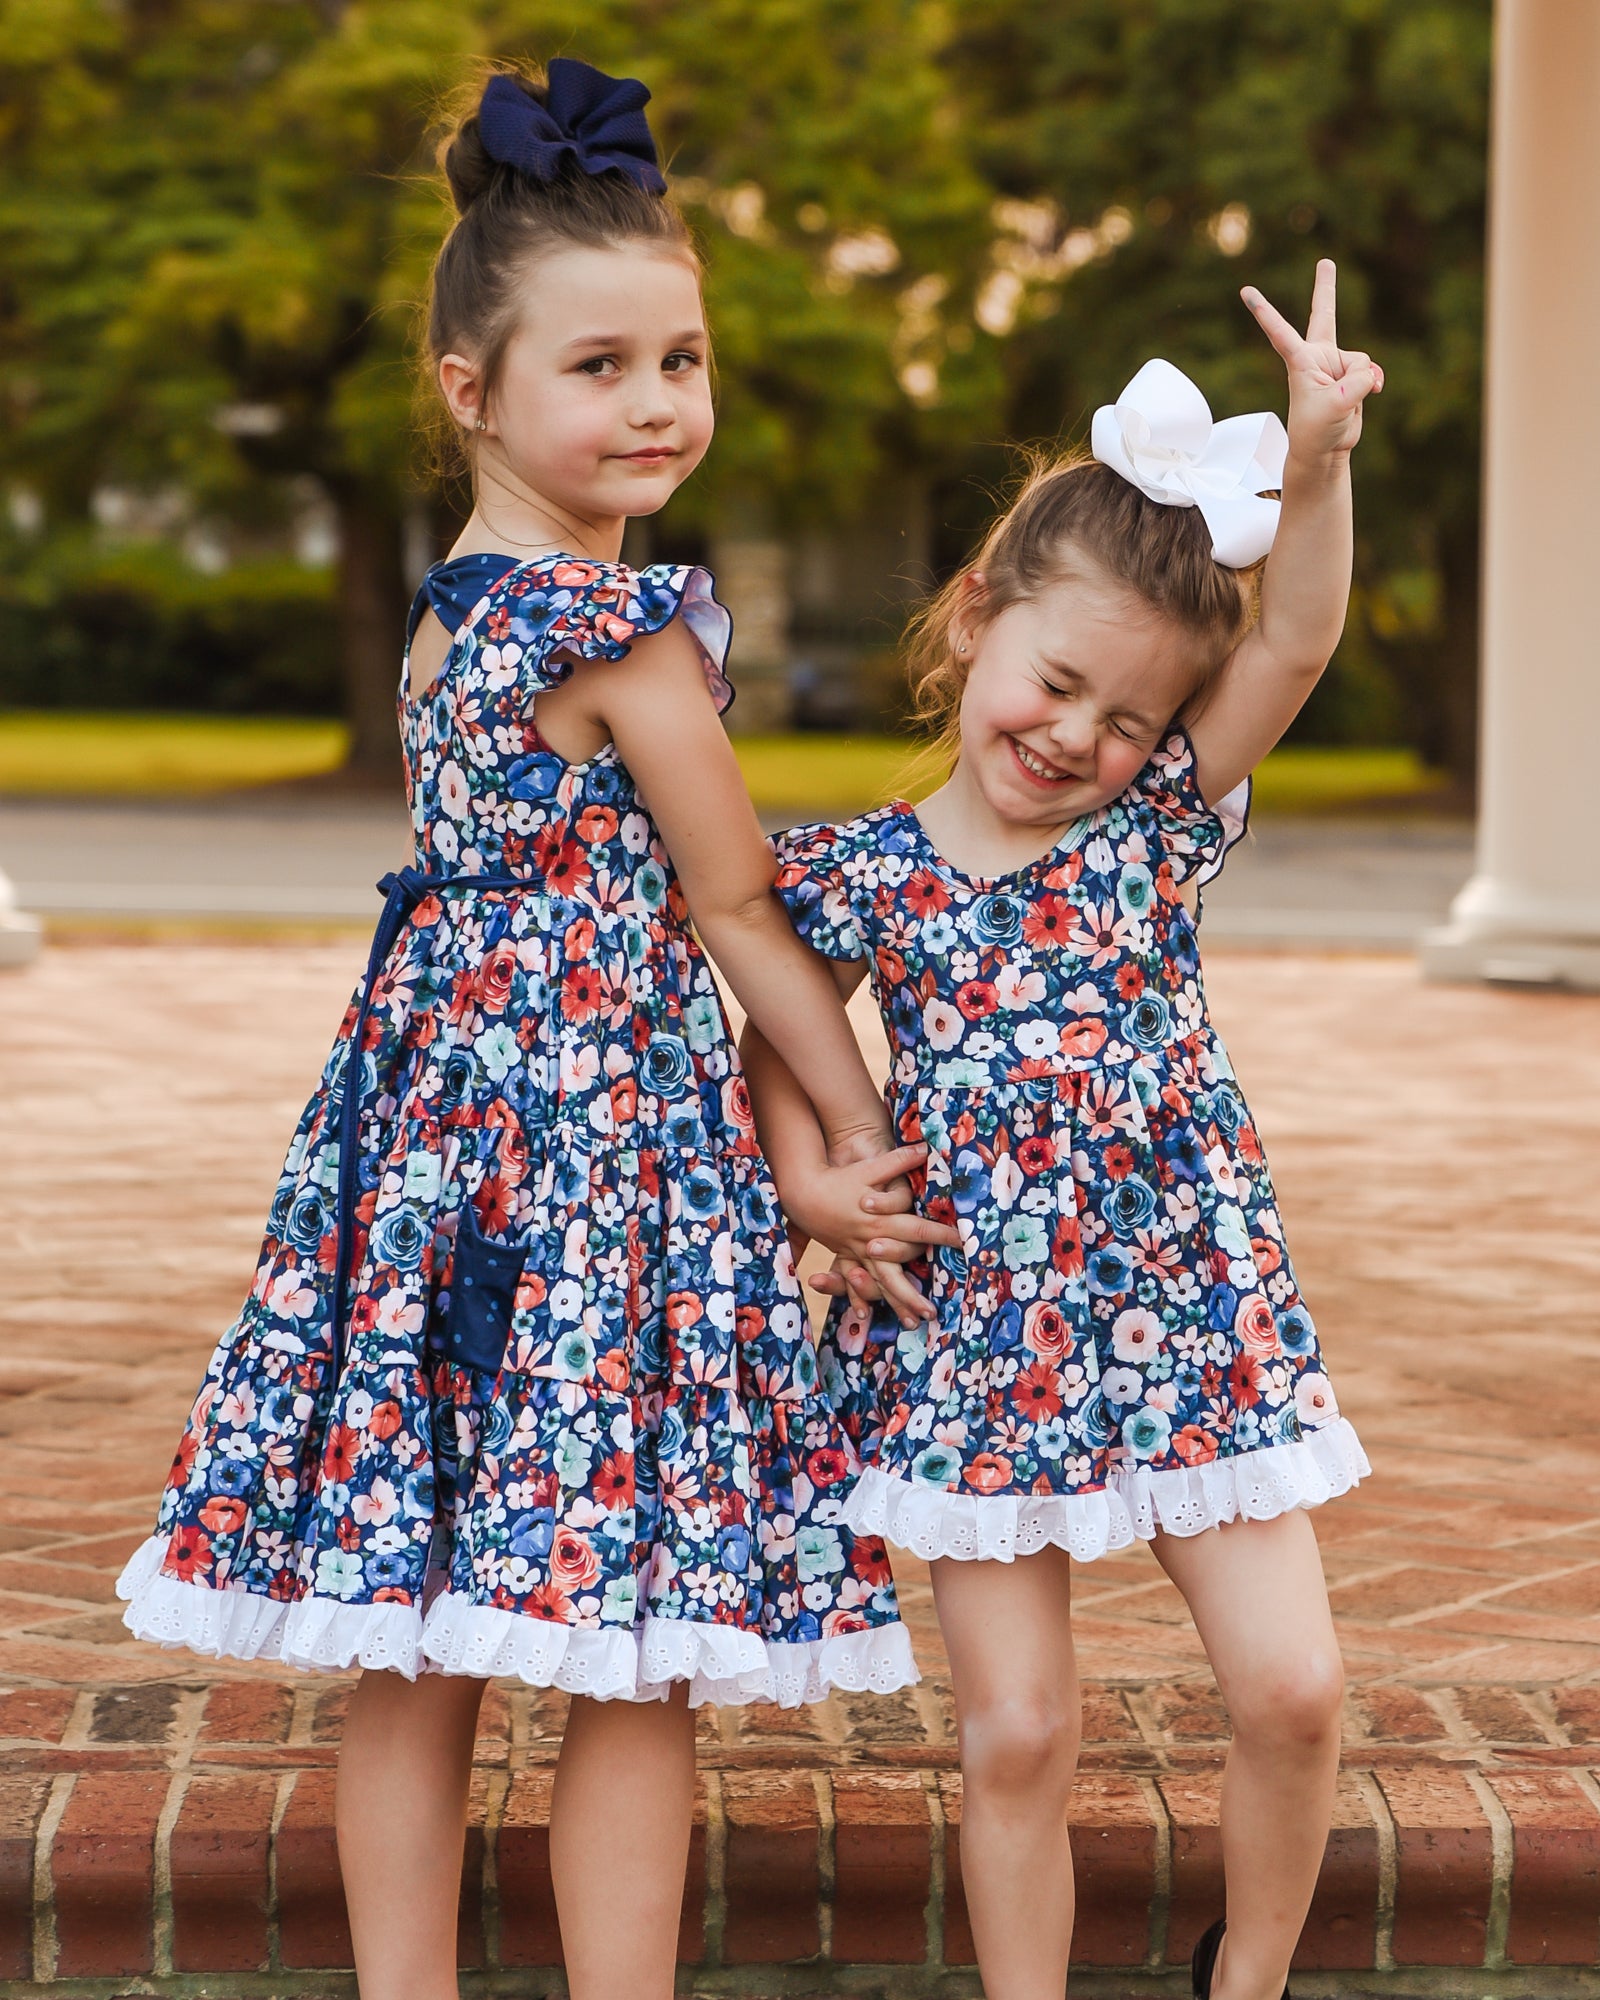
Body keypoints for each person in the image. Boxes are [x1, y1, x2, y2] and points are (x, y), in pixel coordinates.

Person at [115, 60, 934, 2000]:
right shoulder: (617, 632)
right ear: (471, 390)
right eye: (601, 366)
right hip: (591, 1164)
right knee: (625, 1633)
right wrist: (849, 1130)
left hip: (425, 1148)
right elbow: (734, 904)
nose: (656, 402)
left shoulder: (453, 610)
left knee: (415, 1621)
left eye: (681, 359)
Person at [741, 263, 1380, 2000]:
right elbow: (776, 1040)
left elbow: (1297, 637)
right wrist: (814, 1185)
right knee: (1019, 1730)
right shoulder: (864, 872)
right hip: (979, 1335)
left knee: (1295, 1689)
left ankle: (1243, 1980)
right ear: (976, 618)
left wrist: (1318, 463)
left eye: (1131, 718)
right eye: (1061, 682)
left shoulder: (1153, 826)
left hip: (1192, 1308)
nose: (1081, 738)